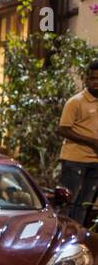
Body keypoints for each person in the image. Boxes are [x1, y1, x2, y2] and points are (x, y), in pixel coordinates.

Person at [57, 60, 98, 224]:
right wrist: (92, 142)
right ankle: (62, 237)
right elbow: (62, 130)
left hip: (95, 162)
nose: (96, 82)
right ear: (87, 79)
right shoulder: (76, 101)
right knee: (67, 202)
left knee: (84, 204)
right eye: (93, 78)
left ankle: (76, 239)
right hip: (74, 160)